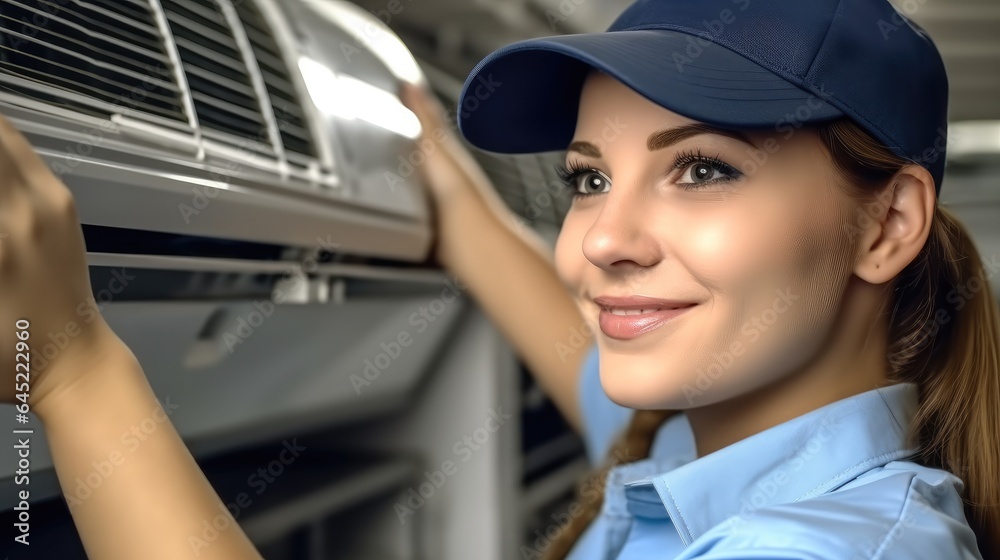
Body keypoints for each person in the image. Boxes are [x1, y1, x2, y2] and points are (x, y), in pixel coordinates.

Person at [1, 1, 997, 560]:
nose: (601, 241)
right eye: (587, 178)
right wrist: (463, 217)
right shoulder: (724, 442)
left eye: (701, 169)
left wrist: (74, 369)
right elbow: (601, 386)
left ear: (887, 223)